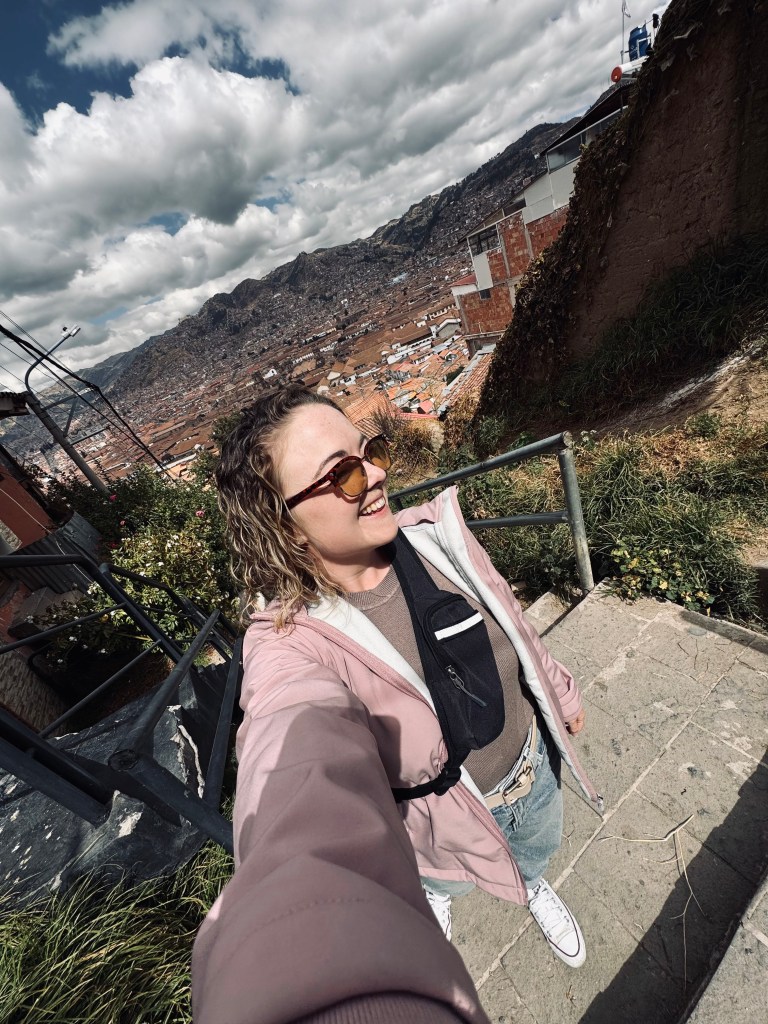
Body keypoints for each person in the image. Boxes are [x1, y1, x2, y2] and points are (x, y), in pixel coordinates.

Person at [193, 386, 602, 1019]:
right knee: (441, 874)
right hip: (436, 823)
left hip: (532, 770)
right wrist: (310, 936)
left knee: (534, 853)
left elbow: (513, 625)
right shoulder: (291, 646)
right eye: (344, 475)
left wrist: (562, 691)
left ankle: (533, 887)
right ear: (284, 525)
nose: (377, 473)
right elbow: (293, 763)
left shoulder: (440, 540)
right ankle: (434, 896)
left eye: (369, 452)